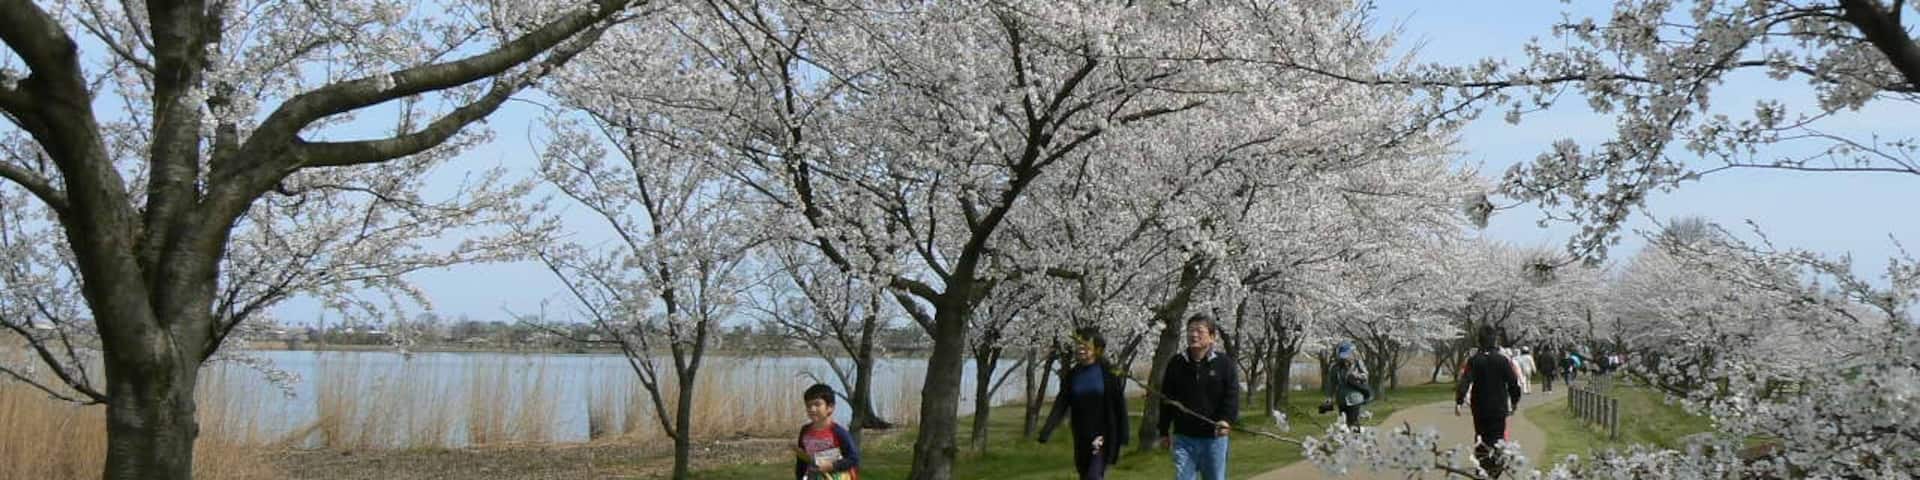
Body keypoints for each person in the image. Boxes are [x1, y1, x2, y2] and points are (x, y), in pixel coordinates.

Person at [1038, 328, 1131, 480]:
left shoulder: (1108, 374)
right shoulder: (1073, 375)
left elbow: (1119, 405)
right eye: (1078, 345)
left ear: (1096, 349)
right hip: (1081, 436)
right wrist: (1047, 430)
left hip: (1102, 436)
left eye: (1085, 346)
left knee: (1094, 476)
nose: (1080, 350)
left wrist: (1124, 434)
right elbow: (1061, 404)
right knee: (1085, 474)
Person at [1157, 314, 1238, 480]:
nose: (1194, 335)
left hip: (1213, 439)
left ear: (1212, 337)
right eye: (1190, 331)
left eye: (1199, 331)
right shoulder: (1176, 363)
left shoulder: (1224, 364)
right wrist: (1164, 430)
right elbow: (1166, 399)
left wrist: (1226, 420)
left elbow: (1231, 396)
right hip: (1184, 438)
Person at [1456, 326, 1523, 479]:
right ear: (1494, 340)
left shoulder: (1474, 361)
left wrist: (1459, 400)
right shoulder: (1502, 360)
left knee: (1481, 437)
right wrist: (1514, 401)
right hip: (1498, 406)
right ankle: (1495, 471)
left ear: (1479, 340)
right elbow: (1513, 383)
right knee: (1497, 438)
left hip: (1479, 407)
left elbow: (1465, 381)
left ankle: (1482, 469)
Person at [794, 383, 861, 480]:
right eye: (808, 405)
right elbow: (801, 460)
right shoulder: (804, 431)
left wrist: (832, 466)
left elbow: (853, 458)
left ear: (830, 407)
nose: (812, 409)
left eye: (817, 404)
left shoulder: (839, 432)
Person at [1326, 341, 1373, 427]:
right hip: (1342, 399)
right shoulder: (1335, 367)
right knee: (1343, 424)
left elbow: (1365, 375)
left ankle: (1357, 438)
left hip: (1355, 398)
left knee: (1354, 424)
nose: (1345, 358)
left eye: (1347, 355)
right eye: (1343, 356)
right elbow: (1332, 383)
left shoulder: (1357, 364)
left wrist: (1357, 376)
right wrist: (1329, 397)